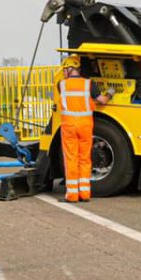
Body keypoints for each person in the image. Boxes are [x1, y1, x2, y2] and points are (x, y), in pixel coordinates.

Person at [56, 56, 111, 202]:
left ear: (68, 69)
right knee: (85, 159)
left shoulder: (61, 84)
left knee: (71, 158)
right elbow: (102, 100)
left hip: (69, 127)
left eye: (64, 70)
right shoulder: (89, 84)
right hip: (85, 126)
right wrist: (110, 92)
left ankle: (73, 195)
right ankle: (85, 194)